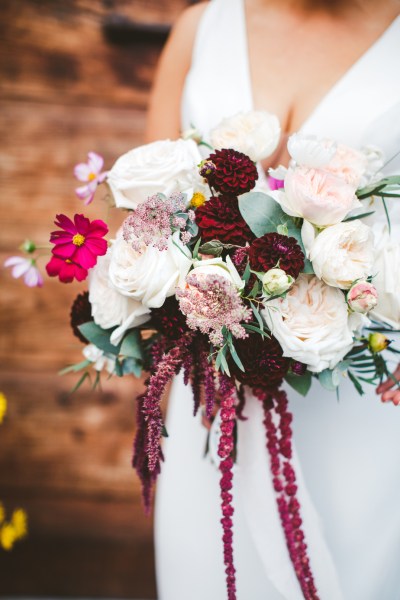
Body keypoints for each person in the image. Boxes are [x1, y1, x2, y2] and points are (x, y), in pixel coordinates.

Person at [145, 1, 400, 598]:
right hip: (213, 381)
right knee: (205, 569)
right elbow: (152, 208)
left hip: (365, 385)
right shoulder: (202, 29)